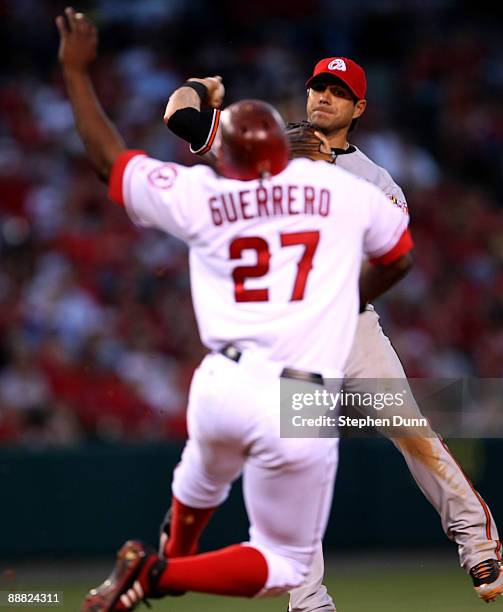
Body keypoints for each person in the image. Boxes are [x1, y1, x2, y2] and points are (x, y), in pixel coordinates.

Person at [56, 9, 414, 611]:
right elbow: (400, 257)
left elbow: (106, 157)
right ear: (287, 147)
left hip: (220, 382)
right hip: (293, 389)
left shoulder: (207, 194)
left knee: (199, 479)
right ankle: (157, 575)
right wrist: (338, 301)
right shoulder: (340, 192)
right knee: (284, 563)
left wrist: (74, 71)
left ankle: (174, 540)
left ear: (230, 157)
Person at [162, 58, 503, 607]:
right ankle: (308, 600)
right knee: (296, 462)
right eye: (318, 86)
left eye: (338, 91)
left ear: (358, 108)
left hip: (351, 326)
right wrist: (199, 88)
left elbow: (391, 257)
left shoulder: (375, 180)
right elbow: (181, 119)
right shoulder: (261, 143)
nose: (324, 96)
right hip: (291, 340)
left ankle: (476, 543)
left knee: (412, 431)